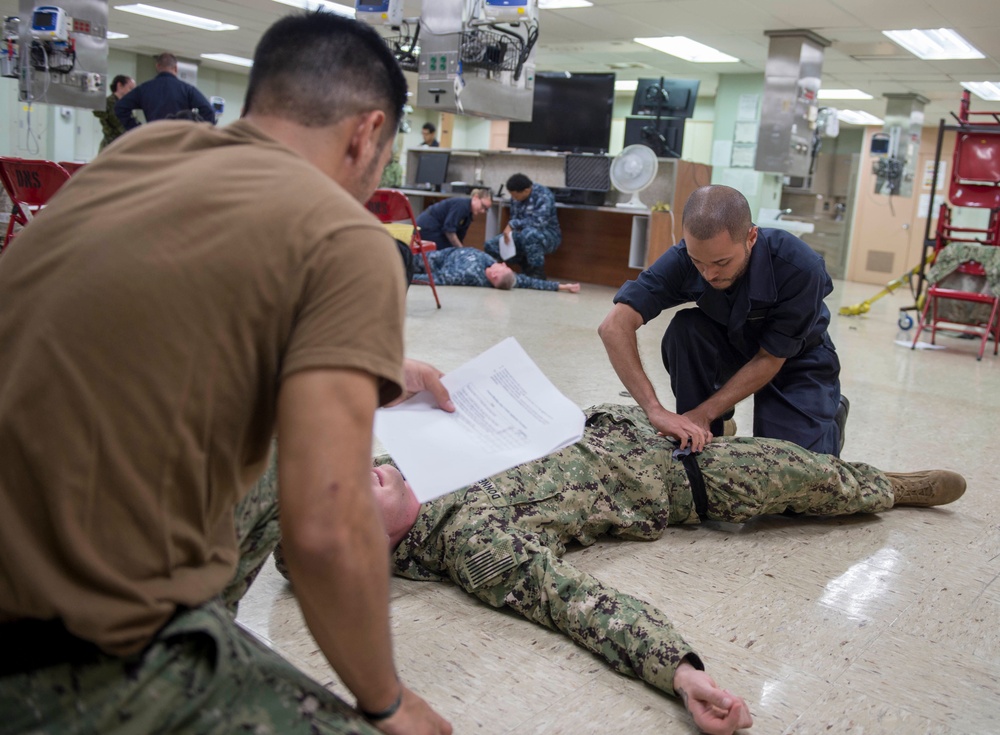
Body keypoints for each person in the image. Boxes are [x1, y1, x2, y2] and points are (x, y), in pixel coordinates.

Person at [0, 11, 451, 735]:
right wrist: (388, 701)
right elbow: (327, 529)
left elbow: (156, 310)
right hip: (58, 664)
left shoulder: (141, 153)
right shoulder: (347, 237)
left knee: (270, 462)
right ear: (367, 135)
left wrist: (378, 367)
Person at [255, 403, 964, 735]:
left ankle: (802, 442)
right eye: (346, 498)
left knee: (722, 390)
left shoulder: (405, 457)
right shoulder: (469, 542)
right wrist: (680, 670)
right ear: (369, 549)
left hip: (618, 421)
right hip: (676, 480)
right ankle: (885, 486)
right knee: (800, 472)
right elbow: (577, 602)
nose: (363, 472)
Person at [599, 185, 847, 457]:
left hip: (795, 358)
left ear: (751, 237)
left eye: (722, 262)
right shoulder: (685, 259)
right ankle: (714, 428)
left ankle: (828, 416)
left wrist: (704, 412)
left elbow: (770, 358)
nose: (709, 274)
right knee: (687, 329)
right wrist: (655, 410)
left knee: (792, 464)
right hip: (734, 342)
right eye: (698, 262)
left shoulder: (800, 267)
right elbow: (614, 326)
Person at [483, 173, 562, 280]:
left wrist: (512, 224)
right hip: (522, 234)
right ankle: (525, 265)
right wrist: (509, 235)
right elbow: (514, 218)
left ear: (526, 190)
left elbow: (539, 223)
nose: (513, 198)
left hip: (547, 235)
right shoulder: (515, 198)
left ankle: (537, 273)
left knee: (529, 234)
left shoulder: (543, 196)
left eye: (515, 195)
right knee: (490, 245)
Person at [114, 52, 217, 131]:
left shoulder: (144, 89)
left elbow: (120, 107)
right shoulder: (187, 89)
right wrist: (198, 131)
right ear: (176, 68)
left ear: (157, 66)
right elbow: (208, 110)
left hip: (155, 136)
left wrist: (136, 129)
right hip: (180, 137)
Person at [413, 246, 579, 292]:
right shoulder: (503, 275)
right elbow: (529, 282)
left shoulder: (468, 275)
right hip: (448, 250)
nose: (504, 264)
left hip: (434, 260)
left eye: (502, 268)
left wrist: (405, 276)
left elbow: (437, 279)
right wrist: (561, 286)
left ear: (493, 275)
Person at [415, 189, 492, 249]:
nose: (482, 211)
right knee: (448, 251)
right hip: (427, 227)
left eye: (486, 209)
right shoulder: (462, 205)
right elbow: (449, 230)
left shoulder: (468, 215)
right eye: (482, 206)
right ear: (475, 197)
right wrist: (461, 249)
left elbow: (459, 236)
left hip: (437, 229)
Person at [93, 74, 135, 150]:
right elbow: (121, 126)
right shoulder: (109, 103)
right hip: (111, 148)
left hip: (121, 147)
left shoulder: (124, 105)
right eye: (130, 89)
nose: (133, 93)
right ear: (120, 86)